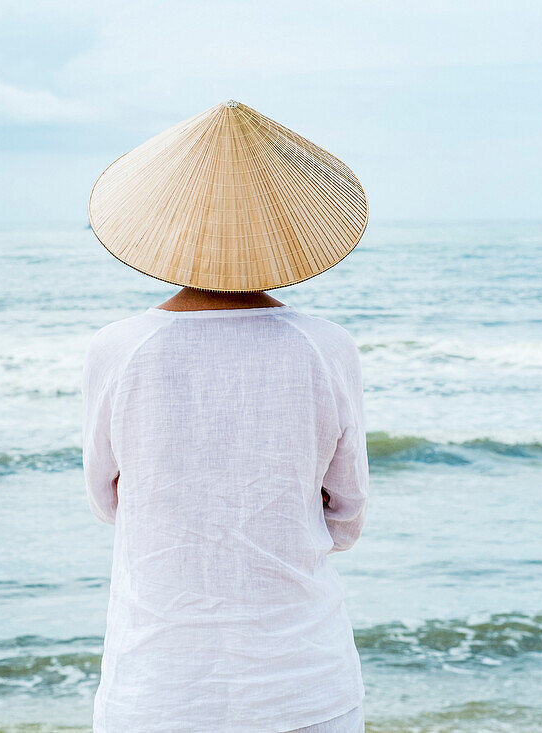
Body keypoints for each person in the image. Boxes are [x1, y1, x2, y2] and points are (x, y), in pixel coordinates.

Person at [82, 100, 369, 733]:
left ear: (164, 227)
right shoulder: (326, 348)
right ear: (287, 233)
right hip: (303, 684)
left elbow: (108, 503)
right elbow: (346, 519)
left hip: (158, 687)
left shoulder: (119, 349)